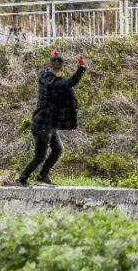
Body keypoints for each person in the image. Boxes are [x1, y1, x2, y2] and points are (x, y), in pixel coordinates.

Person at [17, 50, 87, 188]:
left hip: (45, 123)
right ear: (61, 69)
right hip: (43, 125)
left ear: (49, 66)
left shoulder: (43, 75)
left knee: (58, 149)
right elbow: (71, 81)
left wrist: (53, 56)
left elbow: (61, 75)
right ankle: (22, 179)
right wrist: (82, 68)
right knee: (39, 156)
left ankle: (42, 176)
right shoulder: (57, 84)